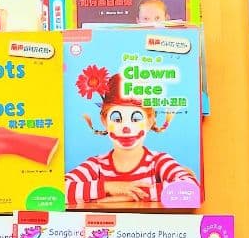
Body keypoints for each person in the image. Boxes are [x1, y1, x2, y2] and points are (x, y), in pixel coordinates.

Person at [65, 70, 199, 204]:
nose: (126, 128)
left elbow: (192, 190)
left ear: (150, 121)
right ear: (104, 121)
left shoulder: (158, 161)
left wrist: (132, 195)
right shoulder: (96, 165)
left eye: (135, 119)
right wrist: (108, 187)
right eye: (117, 119)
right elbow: (59, 190)